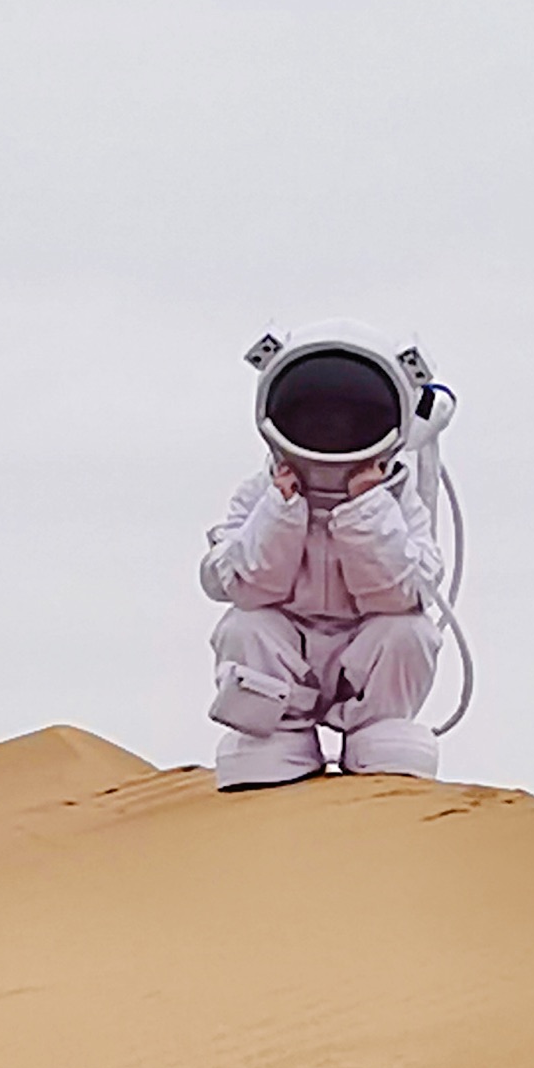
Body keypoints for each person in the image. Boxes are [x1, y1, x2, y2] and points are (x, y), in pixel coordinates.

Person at [201, 330, 446, 789]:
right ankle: (275, 733)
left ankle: (379, 730)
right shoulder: (261, 492)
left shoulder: (399, 498)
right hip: (285, 651)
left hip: (363, 651)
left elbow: (406, 594)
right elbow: (243, 584)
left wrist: (366, 508)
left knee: (408, 631)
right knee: (245, 626)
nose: (333, 428)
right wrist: (281, 509)